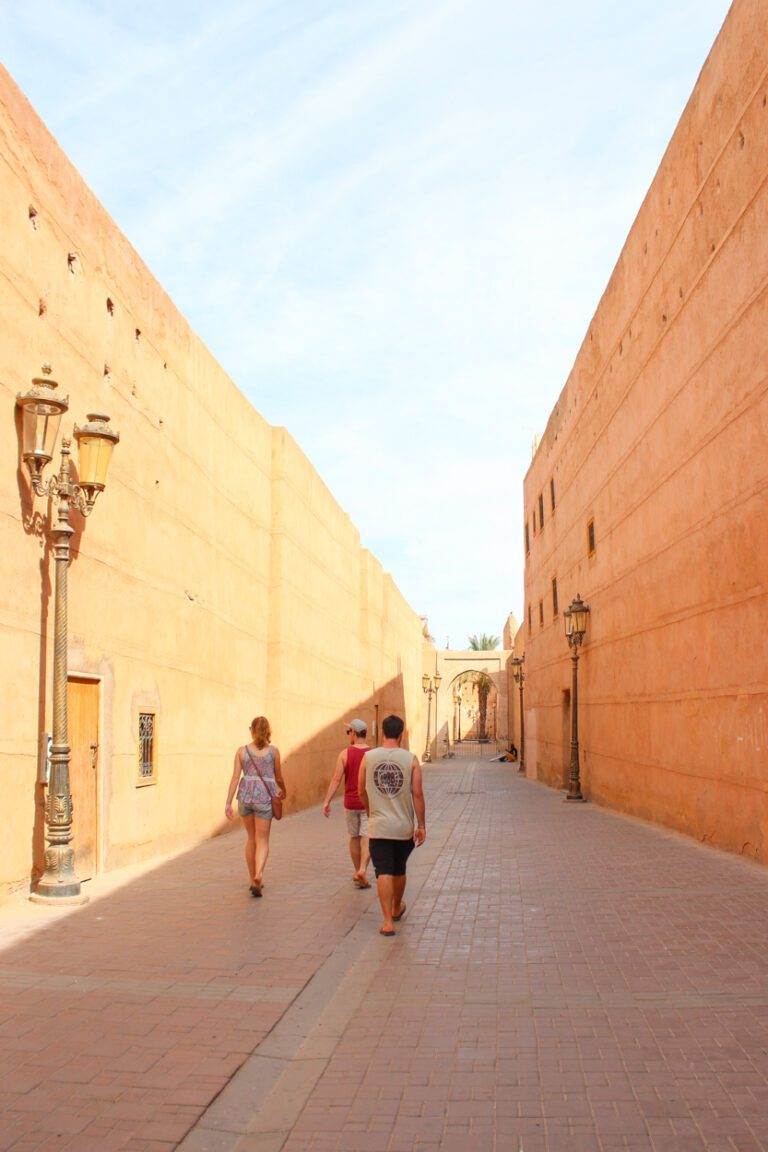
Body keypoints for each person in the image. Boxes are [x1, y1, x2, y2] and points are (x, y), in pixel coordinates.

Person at [358, 714, 426, 937]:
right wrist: (422, 825)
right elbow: (417, 793)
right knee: (398, 869)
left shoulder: (368, 758)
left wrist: (370, 811)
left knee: (383, 871)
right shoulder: (411, 759)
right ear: (401, 734)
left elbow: (361, 790)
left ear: (383, 732)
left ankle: (388, 921)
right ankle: (397, 907)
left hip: (379, 826)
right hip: (403, 826)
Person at [225, 716, 286, 898]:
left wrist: (228, 802)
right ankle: (259, 874)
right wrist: (284, 790)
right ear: (268, 731)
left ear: (251, 730)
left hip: (245, 797)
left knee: (251, 838)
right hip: (264, 798)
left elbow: (235, 777)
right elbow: (279, 777)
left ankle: (252, 879)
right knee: (263, 840)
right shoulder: (273, 752)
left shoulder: (241, 751)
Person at [322, 719, 371, 888]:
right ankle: (363, 870)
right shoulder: (373, 754)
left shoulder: (344, 754)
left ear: (354, 733)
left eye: (348, 732)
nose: (348, 735)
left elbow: (336, 779)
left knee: (354, 836)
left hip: (350, 803)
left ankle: (357, 869)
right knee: (366, 836)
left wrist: (327, 801)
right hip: (368, 803)